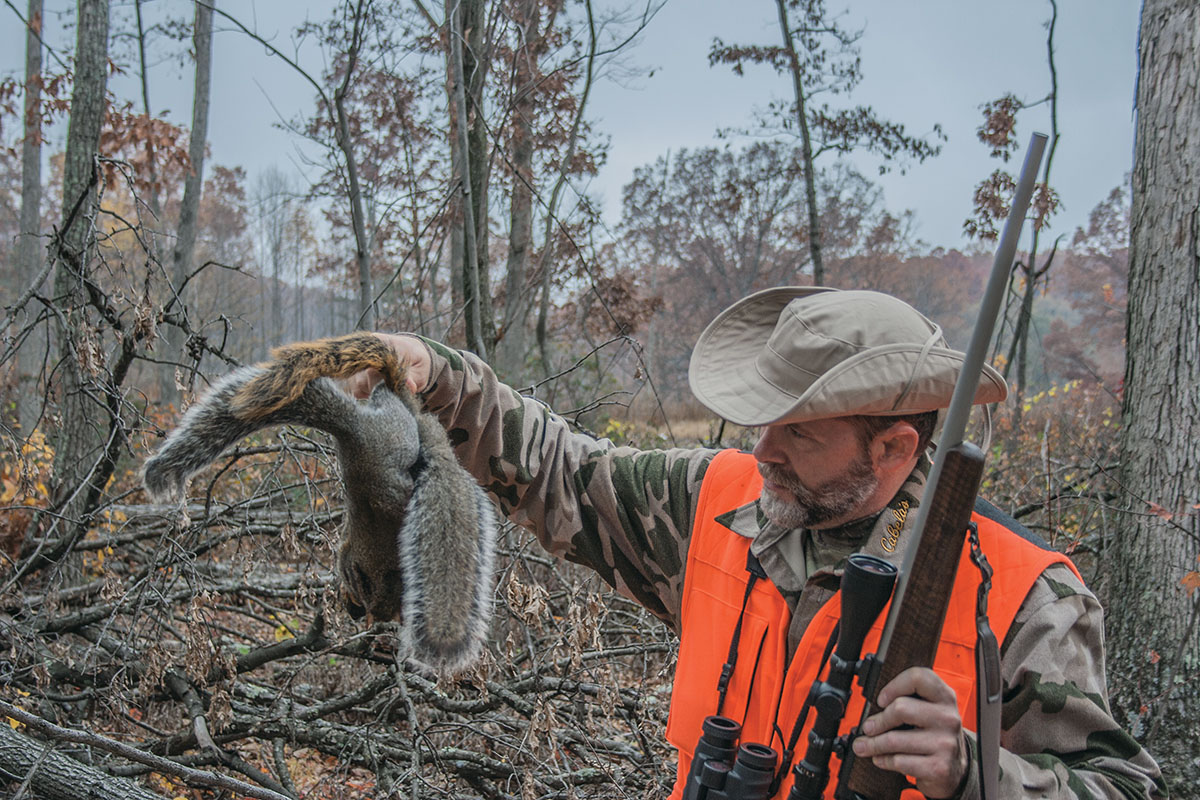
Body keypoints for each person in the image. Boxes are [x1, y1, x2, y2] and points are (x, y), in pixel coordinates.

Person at [349, 287, 1165, 800]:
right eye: (765, 420)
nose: (763, 449)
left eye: (800, 432)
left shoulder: (1024, 597)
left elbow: (1121, 787)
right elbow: (559, 469)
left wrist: (976, 774)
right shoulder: (718, 499)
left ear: (893, 449)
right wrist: (436, 373)